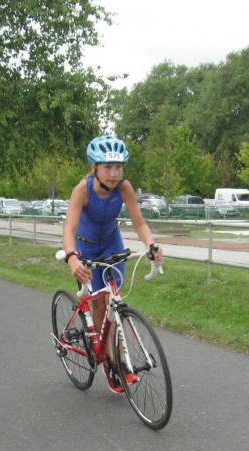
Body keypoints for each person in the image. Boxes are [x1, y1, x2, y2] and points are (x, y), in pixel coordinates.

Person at [61, 134, 163, 393]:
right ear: (95, 167)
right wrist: (72, 258)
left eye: (118, 167)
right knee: (98, 305)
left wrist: (151, 245)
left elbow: (139, 223)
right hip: (85, 247)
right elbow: (68, 228)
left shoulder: (124, 188)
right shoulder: (82, 189)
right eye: (108, 167)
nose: (114, 173)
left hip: (111, 242)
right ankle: (109, 361)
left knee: (112, 301)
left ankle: (114, 357)